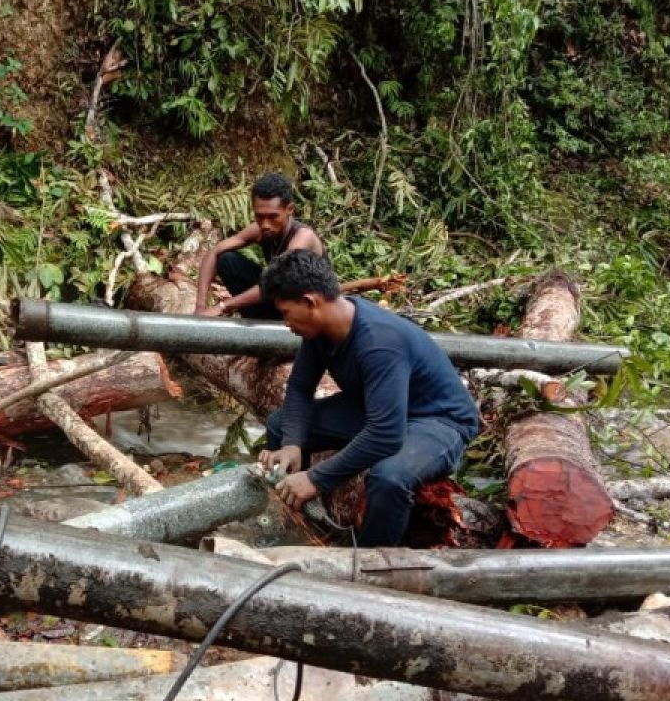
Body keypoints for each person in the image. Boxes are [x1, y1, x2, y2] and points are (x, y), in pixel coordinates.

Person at [257, 250, 480, 547]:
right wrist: (291, 444)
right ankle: (301, 521)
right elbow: (299, 387)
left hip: (437, 419)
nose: (286, 323)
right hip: (377, 407)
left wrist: (317, 478)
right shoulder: (319, 330)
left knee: (389, 479)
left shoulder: (379, 343)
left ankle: (369, 566)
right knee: (281, 425)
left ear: (311, 302)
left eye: (285, 313)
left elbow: (386, 434)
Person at [194, 172, 325, 319]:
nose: (265, 225)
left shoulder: (303, 237)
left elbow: (276, 281)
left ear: (290, 209)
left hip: (306, 308)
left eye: (272, 216)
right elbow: (214, 252)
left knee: (277, 282)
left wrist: (223, 306)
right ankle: (253, 321)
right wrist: (200, 307)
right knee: (226, 259)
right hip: (276, 299)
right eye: (259, 216)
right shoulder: (259, 230)